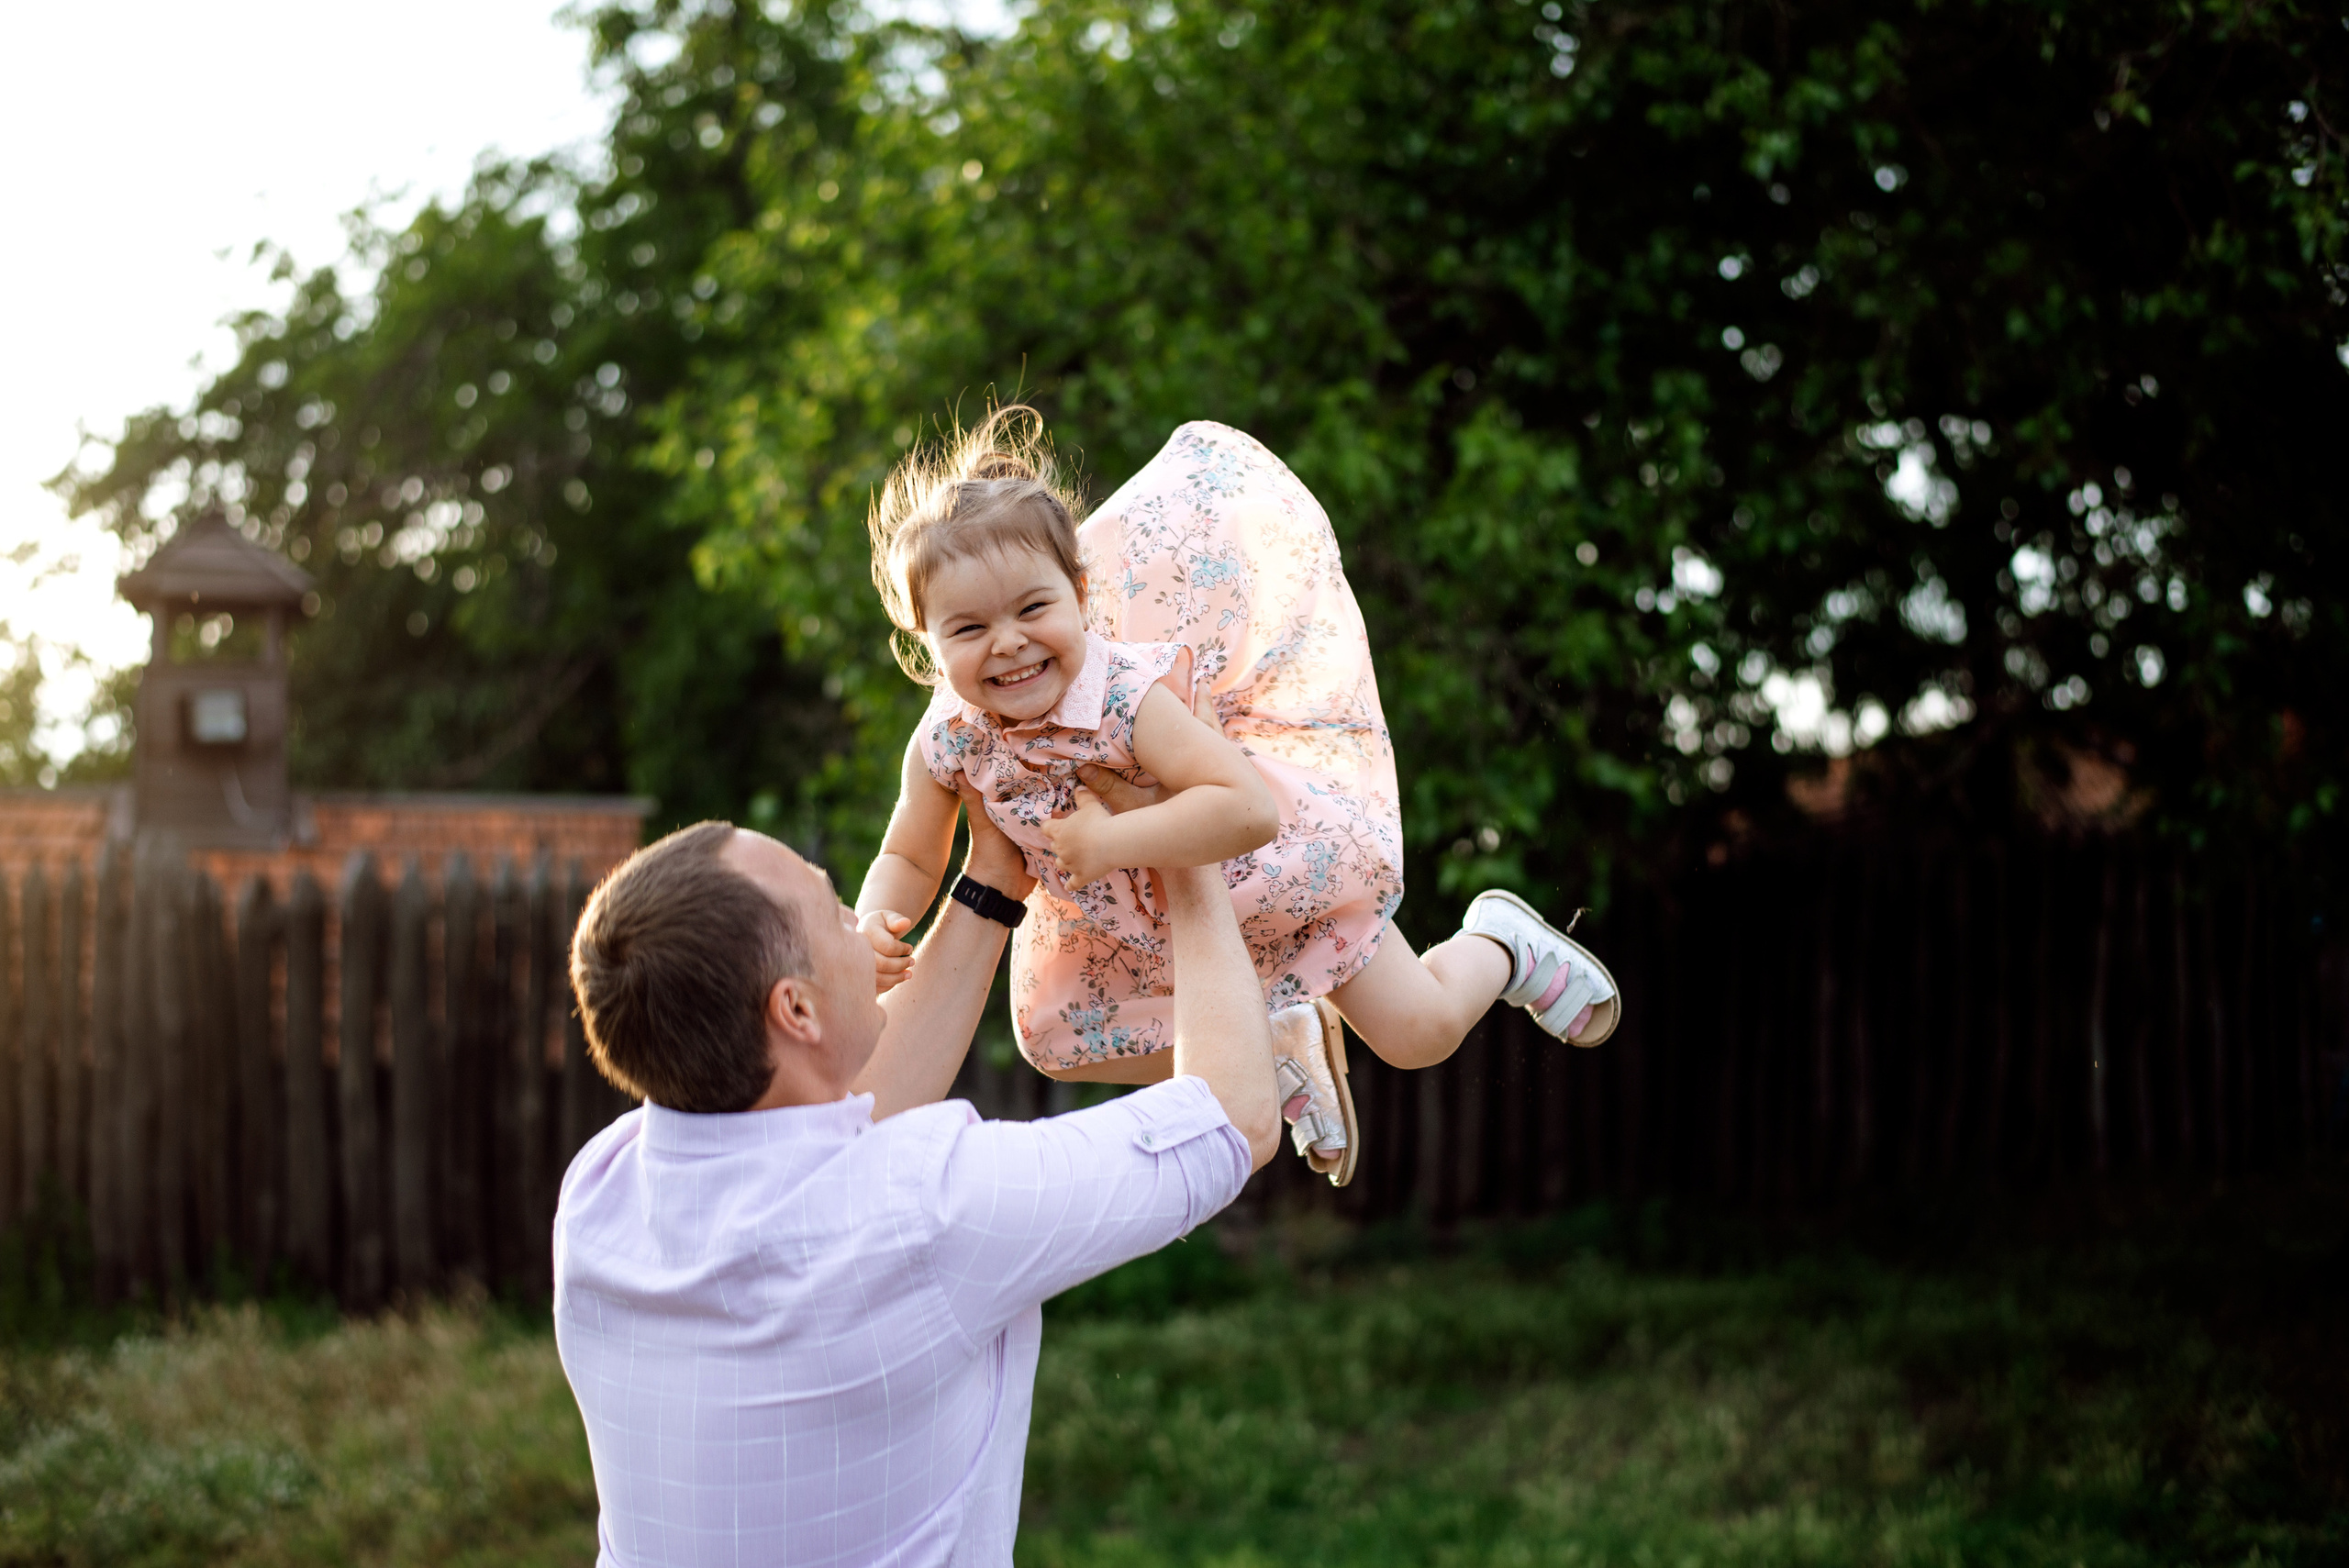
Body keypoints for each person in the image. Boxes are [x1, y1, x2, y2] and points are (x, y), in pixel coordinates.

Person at [855, 406, 1621, 1180]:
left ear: (1081, 593)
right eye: (968, 628)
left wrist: (1113, 842)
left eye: (1033, 607)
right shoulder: (950, 738)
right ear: (925, 638)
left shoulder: (1130, 694)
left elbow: (1246, 808)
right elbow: (909, 853)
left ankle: (1500, 943)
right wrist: (873, 924)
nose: (1009, 641)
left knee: (1419, 1032)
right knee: (1055, 1036)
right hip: (1135, 935)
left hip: (1268, 886)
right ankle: (1276, 1033)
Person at [554, 780, 1282, 1567]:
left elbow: (847, 1129)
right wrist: (1182, 838)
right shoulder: (930, 1205)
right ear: (795, 1012)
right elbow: (1232, 1119)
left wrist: (994, 881)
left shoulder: (602, 1192)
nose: (852, 916)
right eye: (832, 905)